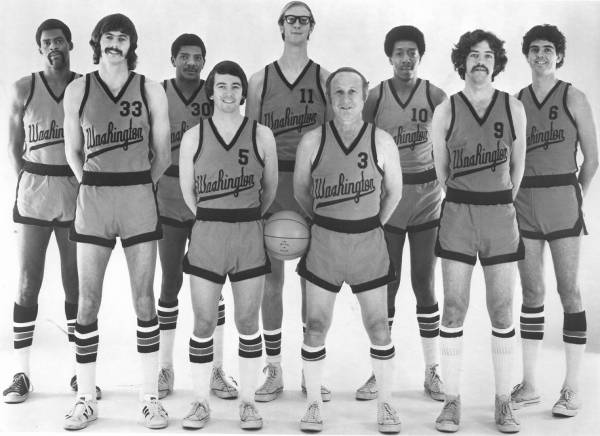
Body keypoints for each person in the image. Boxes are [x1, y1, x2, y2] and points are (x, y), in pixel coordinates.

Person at [61, 13, 171, 430]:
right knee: (87, 302)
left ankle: (149, 397)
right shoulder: (78, 89)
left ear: (131, 45)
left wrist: (138, 185)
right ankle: (85, 398)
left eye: (123, 38)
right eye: (108, 36)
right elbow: (72, 151)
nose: (115, 43)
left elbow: (163, 154)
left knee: (144, 299)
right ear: (97, 42)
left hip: (138, 198)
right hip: (94, 200)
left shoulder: (150, 88)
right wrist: (93, 184)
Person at [294, 67, 403, 433]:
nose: (344, 99)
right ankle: (312, 404)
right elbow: (301, 191)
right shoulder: (312, 140)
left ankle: (385, 404)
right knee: (315, 327)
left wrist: (371, 223)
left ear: (365, 94)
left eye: (352, 91)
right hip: (324, 243)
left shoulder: (381, 140)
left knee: (378, 327)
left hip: (367, 244)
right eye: (337, 92)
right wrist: (325, 222)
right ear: (329, 97)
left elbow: (394, 193)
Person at [431, 30, 526, 433]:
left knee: (502, 309)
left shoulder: (513, 107)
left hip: (500, 216)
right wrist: (465, 196)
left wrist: (498, 200)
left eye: (488, 55)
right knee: (454, 307)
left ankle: (503, 400)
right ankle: (451, 400)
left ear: (496, 63)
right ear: (463, 62)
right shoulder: (446, 109)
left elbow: (517, 168)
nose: (481, 61)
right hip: (457, 215)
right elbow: (441, 170)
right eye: (473, 55)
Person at [178, 61, 278, 430]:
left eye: (235, 86)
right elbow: (188, 192)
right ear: (211, 91)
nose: (229, 93)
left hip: (248, 234)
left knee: (248, 320)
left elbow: (269, 190)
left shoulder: (261, 134)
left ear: (243, 93)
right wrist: (212, 216)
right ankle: (200, 401)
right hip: (207, 235)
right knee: (204, 321)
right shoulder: (194, 136)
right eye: (221, 86)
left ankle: (248, 402)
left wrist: (245, 216)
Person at [3, 18, 99, 404]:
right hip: (36, 192)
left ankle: (80, 373)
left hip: (75, 191)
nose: (53, 46)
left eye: (59, 40)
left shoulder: (86, 86)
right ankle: (21, 373)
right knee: (28, 281)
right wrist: (28, 182)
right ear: (39, 48)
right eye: (46, 42)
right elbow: (13, 146)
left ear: (70, 44)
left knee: (76, 283)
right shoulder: (23, 88)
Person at [511, 24, 598, 418]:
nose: (541, 55)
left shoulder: (573, 97)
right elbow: (510, 159)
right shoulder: (516, 101)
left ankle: (571, 387)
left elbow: (592, 158)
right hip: (525, 204)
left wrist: (576, 194)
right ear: (527, 56)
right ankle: (530, 384)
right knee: (532, 293)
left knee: (569, 291)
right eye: (535, 49)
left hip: (563, 202)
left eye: (548, 48)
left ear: (559, 55)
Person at [246, 0, 330, 402]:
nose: (297, 24)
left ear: (312, 27)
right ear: (281, 26)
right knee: (271, 281)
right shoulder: (259, 80)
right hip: (273, 183)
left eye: (304, 20)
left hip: (312, 185)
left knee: (314, 282)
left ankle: (311, 373)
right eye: (290, 19)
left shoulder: (326, 79)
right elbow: (249, 139)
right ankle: (274, 369)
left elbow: (335, 139)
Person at [357, 25, 447, 402]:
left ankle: (432, 370)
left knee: (424, 283)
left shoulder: (436, 96)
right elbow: (359, 146)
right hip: (390, 200)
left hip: (427, 200)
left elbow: (451, 146)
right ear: (389, 57)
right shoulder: (376, 97)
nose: (406, 58)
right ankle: (380, 371)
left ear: (420, 56)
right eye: (399, 52)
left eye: (412, 52)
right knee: (387, 285)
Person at [156, 33, 237, 401]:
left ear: (205, 61)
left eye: (197, 57)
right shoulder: (158, 93)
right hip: (169, 199)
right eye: (184, 56)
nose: (191, 62)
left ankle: (217, 369)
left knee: (214, 285)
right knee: (170, 281)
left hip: (209, 201)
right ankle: (164, 366)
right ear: (173, 59)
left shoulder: (214, 93)